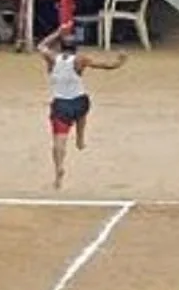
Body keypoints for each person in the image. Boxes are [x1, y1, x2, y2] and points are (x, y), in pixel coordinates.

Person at [37, 21, 128, 189]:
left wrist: (58, 32)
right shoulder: (80, 60)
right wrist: (120, 61)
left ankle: (58, 169)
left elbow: (41, 45)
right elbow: (106, 66)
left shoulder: (52, 59)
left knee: (58, 142)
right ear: (76, 48)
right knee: (83, 109)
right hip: (79, 102)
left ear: (60, 46)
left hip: (61, 104)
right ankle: (80, 137)